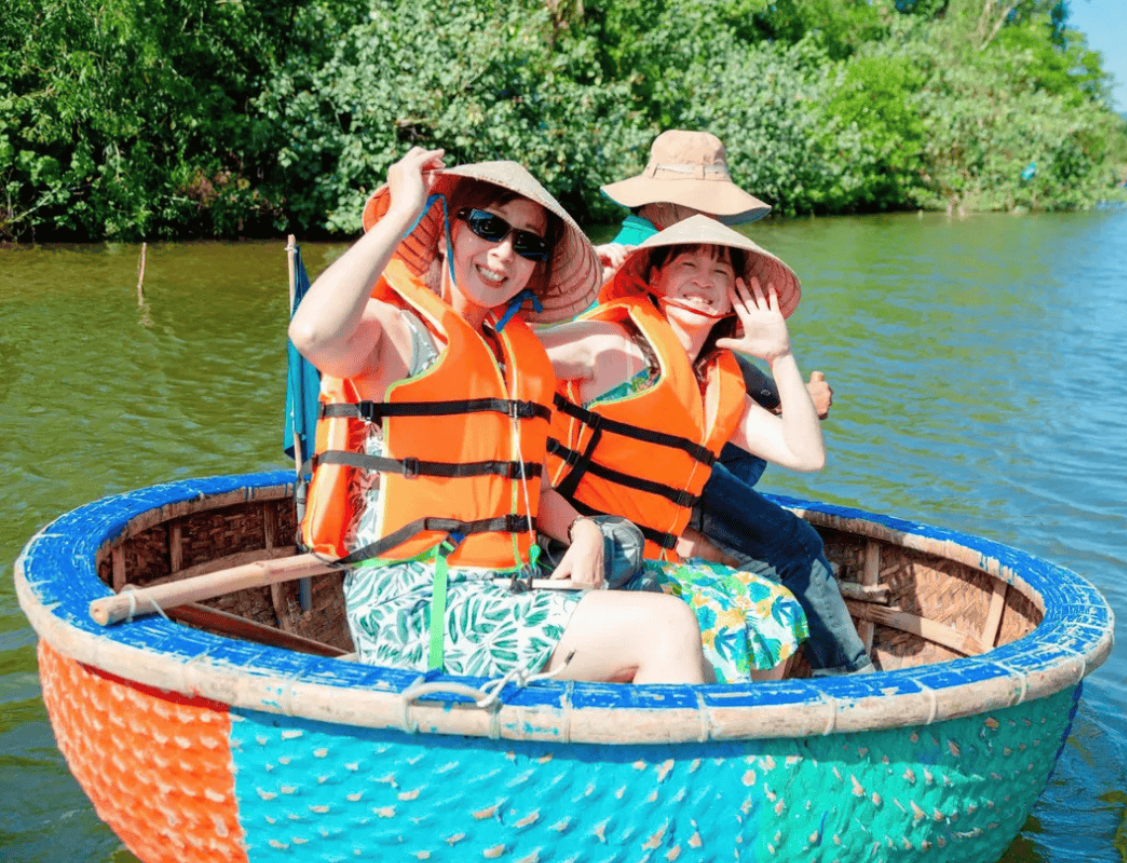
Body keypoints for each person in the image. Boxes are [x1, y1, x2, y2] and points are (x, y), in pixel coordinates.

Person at [288, 147, 705, 684]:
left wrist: (583, 531)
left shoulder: (515, 356)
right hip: (417, 600)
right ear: (446, 230)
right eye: (488, 226)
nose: (504, 253)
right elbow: (313, 333)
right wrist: (402, 212)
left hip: (502, 587)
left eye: (526, 243)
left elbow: (530, 488)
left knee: (679, 621)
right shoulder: (396, 333)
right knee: (666, 628)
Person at [596, 130, 869, 675]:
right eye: (709, 210)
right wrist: (794, 400)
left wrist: (782, 371)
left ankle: (699, 541)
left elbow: (710, 364)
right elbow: (652, 353)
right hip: (630, 464)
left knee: (753, 448)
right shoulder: (631, 259)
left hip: (664, 453)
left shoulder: (657, 247)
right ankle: (851, 677)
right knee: (795, 545)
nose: (716, 230)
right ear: (675, 208)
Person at [540, 216, 824, 683]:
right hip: (569, 551)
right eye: (687, 264)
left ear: (734, 293)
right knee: (707, 624)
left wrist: (781, 356)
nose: (703, 282)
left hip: (648, 562)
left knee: (773, 608)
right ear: (654, 277)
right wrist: (568, 292)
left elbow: (807, 455)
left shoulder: (715, 380)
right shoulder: (611, 345)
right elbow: (501, 356)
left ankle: (731, 730)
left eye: (720, 274)